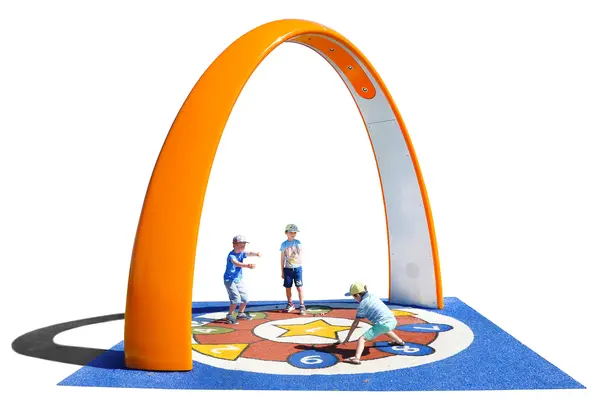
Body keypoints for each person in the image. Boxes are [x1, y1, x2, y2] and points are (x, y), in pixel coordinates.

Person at [338, 281, 405, 364]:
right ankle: (399, 341)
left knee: (362, 339)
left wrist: (347, 338)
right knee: (384, 328)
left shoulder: (362, 305)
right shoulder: (372, 296)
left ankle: (356, 358)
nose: (354, 299)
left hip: (383, 324)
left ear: (357, 295)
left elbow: (355, 323)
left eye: (354, 297)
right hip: (393, 321)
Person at [223, 235, 260, 324]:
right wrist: (248, 265)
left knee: (245, 298)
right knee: (236, 299)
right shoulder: (231, 255)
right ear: (234, 245)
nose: (243, 247)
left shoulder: (242, 253)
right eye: (241, 245)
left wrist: (256, 254)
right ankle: (229, 315)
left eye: (244, 245)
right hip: (229, 280)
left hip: (237, 279)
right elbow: (236, 263)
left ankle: (241, 313)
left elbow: (249, 253)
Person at [280, 223, 306, 314]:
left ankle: (302, 305)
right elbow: (282, 258)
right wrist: (282, 271)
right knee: (288, 287)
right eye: (291, 232)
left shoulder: (298, 242)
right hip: (288, 269)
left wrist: (296, 259)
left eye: (294, 232)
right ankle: (290, 303)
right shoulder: (284, 244)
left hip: (297, 269)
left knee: (299, 287)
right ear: (286, 232)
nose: (293, 234)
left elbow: (300, 254)